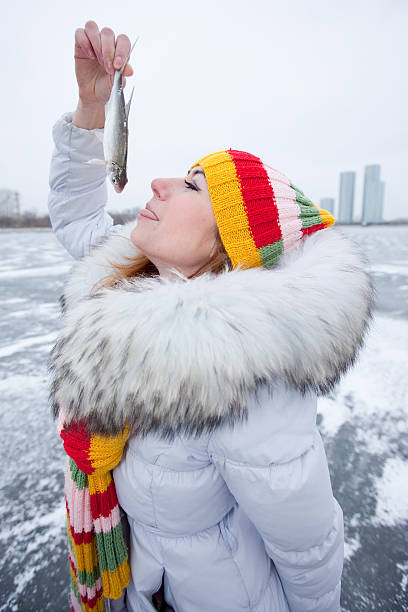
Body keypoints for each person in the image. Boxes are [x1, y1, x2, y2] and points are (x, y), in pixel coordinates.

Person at [47, 21, 374, 612]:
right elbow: (79, 223)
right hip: (139, 588)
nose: (159, 182)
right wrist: (92, 110)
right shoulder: (134, 289)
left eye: (195, 186)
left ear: (232, 246)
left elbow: (308, 552)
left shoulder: (243, 372)